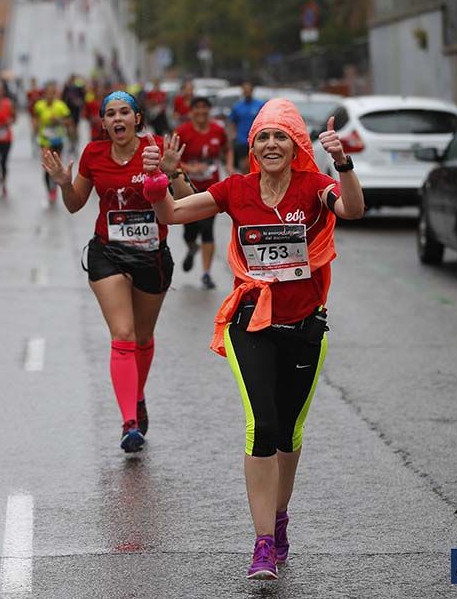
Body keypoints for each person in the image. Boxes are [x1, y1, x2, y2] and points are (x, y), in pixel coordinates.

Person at [141, 99, 364, 580]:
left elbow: (352, 208)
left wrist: (342, 163)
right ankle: (263, 543)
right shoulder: (236, 189)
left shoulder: (313, 186)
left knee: (288, 434)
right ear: (252, 147)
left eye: (280, 136)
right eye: (262, 137)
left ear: (296, 144)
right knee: (261, 426)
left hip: (305, 327)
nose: (270, 145)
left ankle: (280, 521)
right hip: (251, 325)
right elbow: (174, 212)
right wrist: (159, 178)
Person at [41, 91, 192, 453]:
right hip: (107, 252)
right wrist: (63, 181)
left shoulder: (156, 149)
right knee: (122, 333)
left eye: (125, 112)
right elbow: (76, 205)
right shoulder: (93, 154)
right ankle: (129, 423)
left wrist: (173, 174)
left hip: (151, 255)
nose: (117, 119)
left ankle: (136, 396)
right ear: (104, 123)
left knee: (141, 337)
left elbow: (187, 202)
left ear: (138, 118)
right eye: (110, 114)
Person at [174, 95, 229, 289]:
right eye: (197, 108)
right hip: (188, 189)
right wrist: (189, 169)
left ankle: (206, 273)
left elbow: (226, 148)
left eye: (204, 108)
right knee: (189, 232)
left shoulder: (217, 130)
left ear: (208, 111)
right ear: (191, 112)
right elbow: (173, 159)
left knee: (207, 229)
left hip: (211, 188)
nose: (201, 112)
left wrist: (229, 167)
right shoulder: (182, 131)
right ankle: (191, 247)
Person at [32, 82, 73, 203]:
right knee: (46, 167)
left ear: (54, 94)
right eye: (47, 93)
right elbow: (35, 118)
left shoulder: (60, 106)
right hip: (45, 140)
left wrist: (59, 120)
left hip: (57, 140)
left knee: (56, 167)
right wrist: (34, 127)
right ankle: (49, 190)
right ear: (44, 94)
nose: (49, 96)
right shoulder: (39, 106)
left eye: (52, 93)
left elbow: (69, 121)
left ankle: (54, 188)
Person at [227, 80, 264, 174]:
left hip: (257, 140)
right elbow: (232, 122)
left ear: (252, 90)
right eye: (245, 90)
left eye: (248, 89)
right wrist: (232, 136)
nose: (246, 92)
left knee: (257, 166)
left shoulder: (260, 105)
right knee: (244, 166)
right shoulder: (237, 107)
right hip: (242, 141)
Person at [25, 78, 43, 157]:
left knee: (39, 130)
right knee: (34, 130)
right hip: (33, 114)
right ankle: (34, 145)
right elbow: (28, 102)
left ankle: (39, 144)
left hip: (40, 113)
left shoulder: (39, 92)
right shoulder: (29, 92)